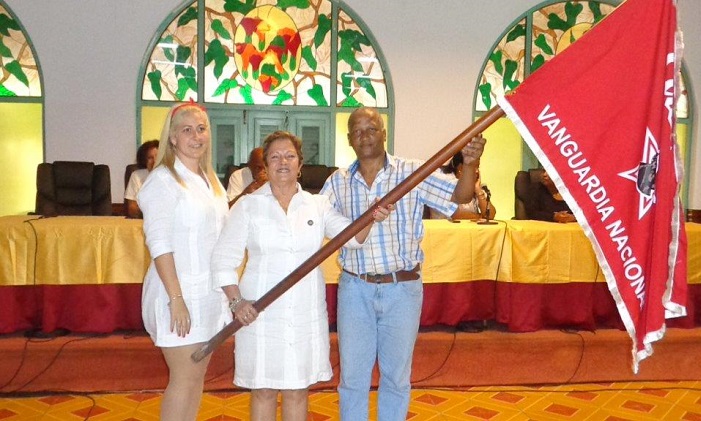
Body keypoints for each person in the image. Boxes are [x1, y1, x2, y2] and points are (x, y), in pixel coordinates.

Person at [211, 131, 393, 421]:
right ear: (265, 166)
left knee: (297, 390)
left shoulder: (317, 205)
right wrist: (237, 303)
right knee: (263, 390)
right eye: (275, 157)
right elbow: (223, 261)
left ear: (300, 164)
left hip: (304, 313)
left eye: (289, 156)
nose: (283, 162)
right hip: (259, 312)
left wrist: (373, 216)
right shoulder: (248, 206)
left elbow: (353, 237)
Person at [319, 107, 485, 420]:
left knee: (396, 377)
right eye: (358, 131)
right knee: (352, 378)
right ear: (349, 138)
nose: (365, 136)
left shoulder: (413, 172)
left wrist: (470, 164)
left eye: (372, 129)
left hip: (402, 290)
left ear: (384, 133)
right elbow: (317, 223)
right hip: (355, 289)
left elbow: (459, 197)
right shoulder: (337, 183)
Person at [137, 102, 231, 421]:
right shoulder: (163, 180)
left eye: (201, 129)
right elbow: (159, 245)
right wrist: (176, 299)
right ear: (173, 137)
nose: (196, 136)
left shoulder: (209, 179)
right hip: (177, 295)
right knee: (183, 379)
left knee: (195, 380)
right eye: (187, 130)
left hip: (207, 295)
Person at [432, 151, 496, 220]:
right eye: (474, 167)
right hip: (443, 226)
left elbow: (490, 215)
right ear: (460, 168)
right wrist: (480, 217)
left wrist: (478, 190)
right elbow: (455, 215)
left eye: (478, 167)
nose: (477, 171)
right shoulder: (446, 183)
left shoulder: (474, 186)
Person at [124, 139, 159, 218]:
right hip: (143, 220)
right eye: (150, 158)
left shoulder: (172, 176)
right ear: (144, 160)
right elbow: (132, 209)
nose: (155, 161)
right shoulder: (136, 176)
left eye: (158, 156)